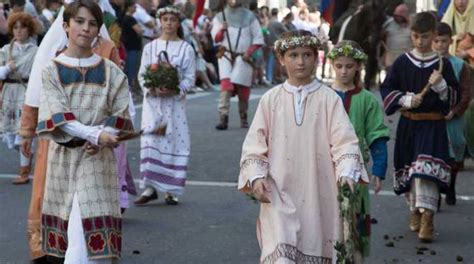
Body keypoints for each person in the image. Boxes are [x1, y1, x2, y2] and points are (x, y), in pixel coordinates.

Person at [238, 30, 368, 263]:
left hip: (320, 193)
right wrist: (256, 176)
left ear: (316, 57)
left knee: (317, 247)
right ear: (280, 59)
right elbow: (254, 144)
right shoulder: (271, 99)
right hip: (278, 191)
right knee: (282, 257)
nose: (300, 61)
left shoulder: (329, 99)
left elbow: (345, 142)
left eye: (307, 55)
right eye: (293, 55)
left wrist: (347, 172)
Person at [19, 1, 133, 261]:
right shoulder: (52, 70)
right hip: (62, 160)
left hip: (97, 161)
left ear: (98, 30)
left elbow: (121, 113)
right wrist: (95, 134)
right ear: (66, 26)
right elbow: (59, 118)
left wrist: (104, 137)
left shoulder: (112, 72)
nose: (86, 28)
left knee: (85, 233)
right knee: (70, 231)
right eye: (80, 22)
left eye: (92, 23)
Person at [380, 12, 459, 243]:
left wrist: (442, 85)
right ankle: (415, 209)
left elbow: (453, 99)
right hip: (409, 125)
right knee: (411, 172)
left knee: (426, 171)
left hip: (432, 125)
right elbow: (387, 89)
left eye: (424, 37)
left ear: (434, 35)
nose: (419, 42)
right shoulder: (403, 62)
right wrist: (404, 99)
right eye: (415, 36)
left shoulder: (443, 65)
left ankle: (428, 218)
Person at [328, 40, 390, 258]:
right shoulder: (320, 96)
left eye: (349, 66)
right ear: (332, 65)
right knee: (326, 222)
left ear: (358, 67)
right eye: (339, 66)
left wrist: (379, 169)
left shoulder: (367, 100)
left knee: (355, 222)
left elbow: (376, 135)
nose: (344, 71)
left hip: (356, 171)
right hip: (324, 169)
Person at [134, 5, 196, 205]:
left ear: (178, 23)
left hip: (175, 107)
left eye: (173, 19)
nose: (169, 23)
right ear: (160, 21)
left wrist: (176, 89)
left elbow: (189, 78)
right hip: (153, 105)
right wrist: (151, 89)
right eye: (165, 19)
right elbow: (142, 74)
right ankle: (150, 188)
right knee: (151, 140)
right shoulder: (150, 48)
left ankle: (172, 189)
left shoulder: (186, 49)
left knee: (175, 142)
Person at [432, 22, 472, 205]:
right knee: (435, 154)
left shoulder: (459, 65)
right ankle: (436, 193)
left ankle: (451, 185)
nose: (440, 45)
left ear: (450, 41)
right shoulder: (427, 63)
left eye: (443, 41)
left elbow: (466, 92)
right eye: (436, 41)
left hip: (454, 118)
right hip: (433, 117)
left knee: (455, 153)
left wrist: (455, 112)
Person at [211, 0, 264, 130]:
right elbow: (216, 39)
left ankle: (243, 116)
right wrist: (222, 31)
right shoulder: (220, 17)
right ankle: (223, 118)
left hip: (243, 57)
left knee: (243, 89)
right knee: (226, 86)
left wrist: (249, 52)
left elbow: (258, 38)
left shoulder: (250, 17)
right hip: (226, 56)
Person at [0, 12, 39, 184]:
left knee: (24, 132)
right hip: (9, 92)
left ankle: (24, 171)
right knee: (10, 138)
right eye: (15, 28)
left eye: (22, 27)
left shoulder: (36, 51)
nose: (18, 31)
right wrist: (7, 68)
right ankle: (30, 155)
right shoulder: (5, 50)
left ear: (29, 30)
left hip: (26, 91)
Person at [382, 3, 413, 72]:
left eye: (400, 17)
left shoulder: (411, 25)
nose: (398, 18)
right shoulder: (388, 24)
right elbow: (381, 39)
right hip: (391, 59)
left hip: (407, 59)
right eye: (397, 16)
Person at [121, 0, 143, 89]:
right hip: (132, 47)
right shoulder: (130, 18)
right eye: (134, 6)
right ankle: (129, 89)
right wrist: (141, 30)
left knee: (128, 69)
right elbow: (139, 31)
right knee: (131, 70)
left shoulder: (124, 17)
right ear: (129, 7)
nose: (136, 8)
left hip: (127, 46)